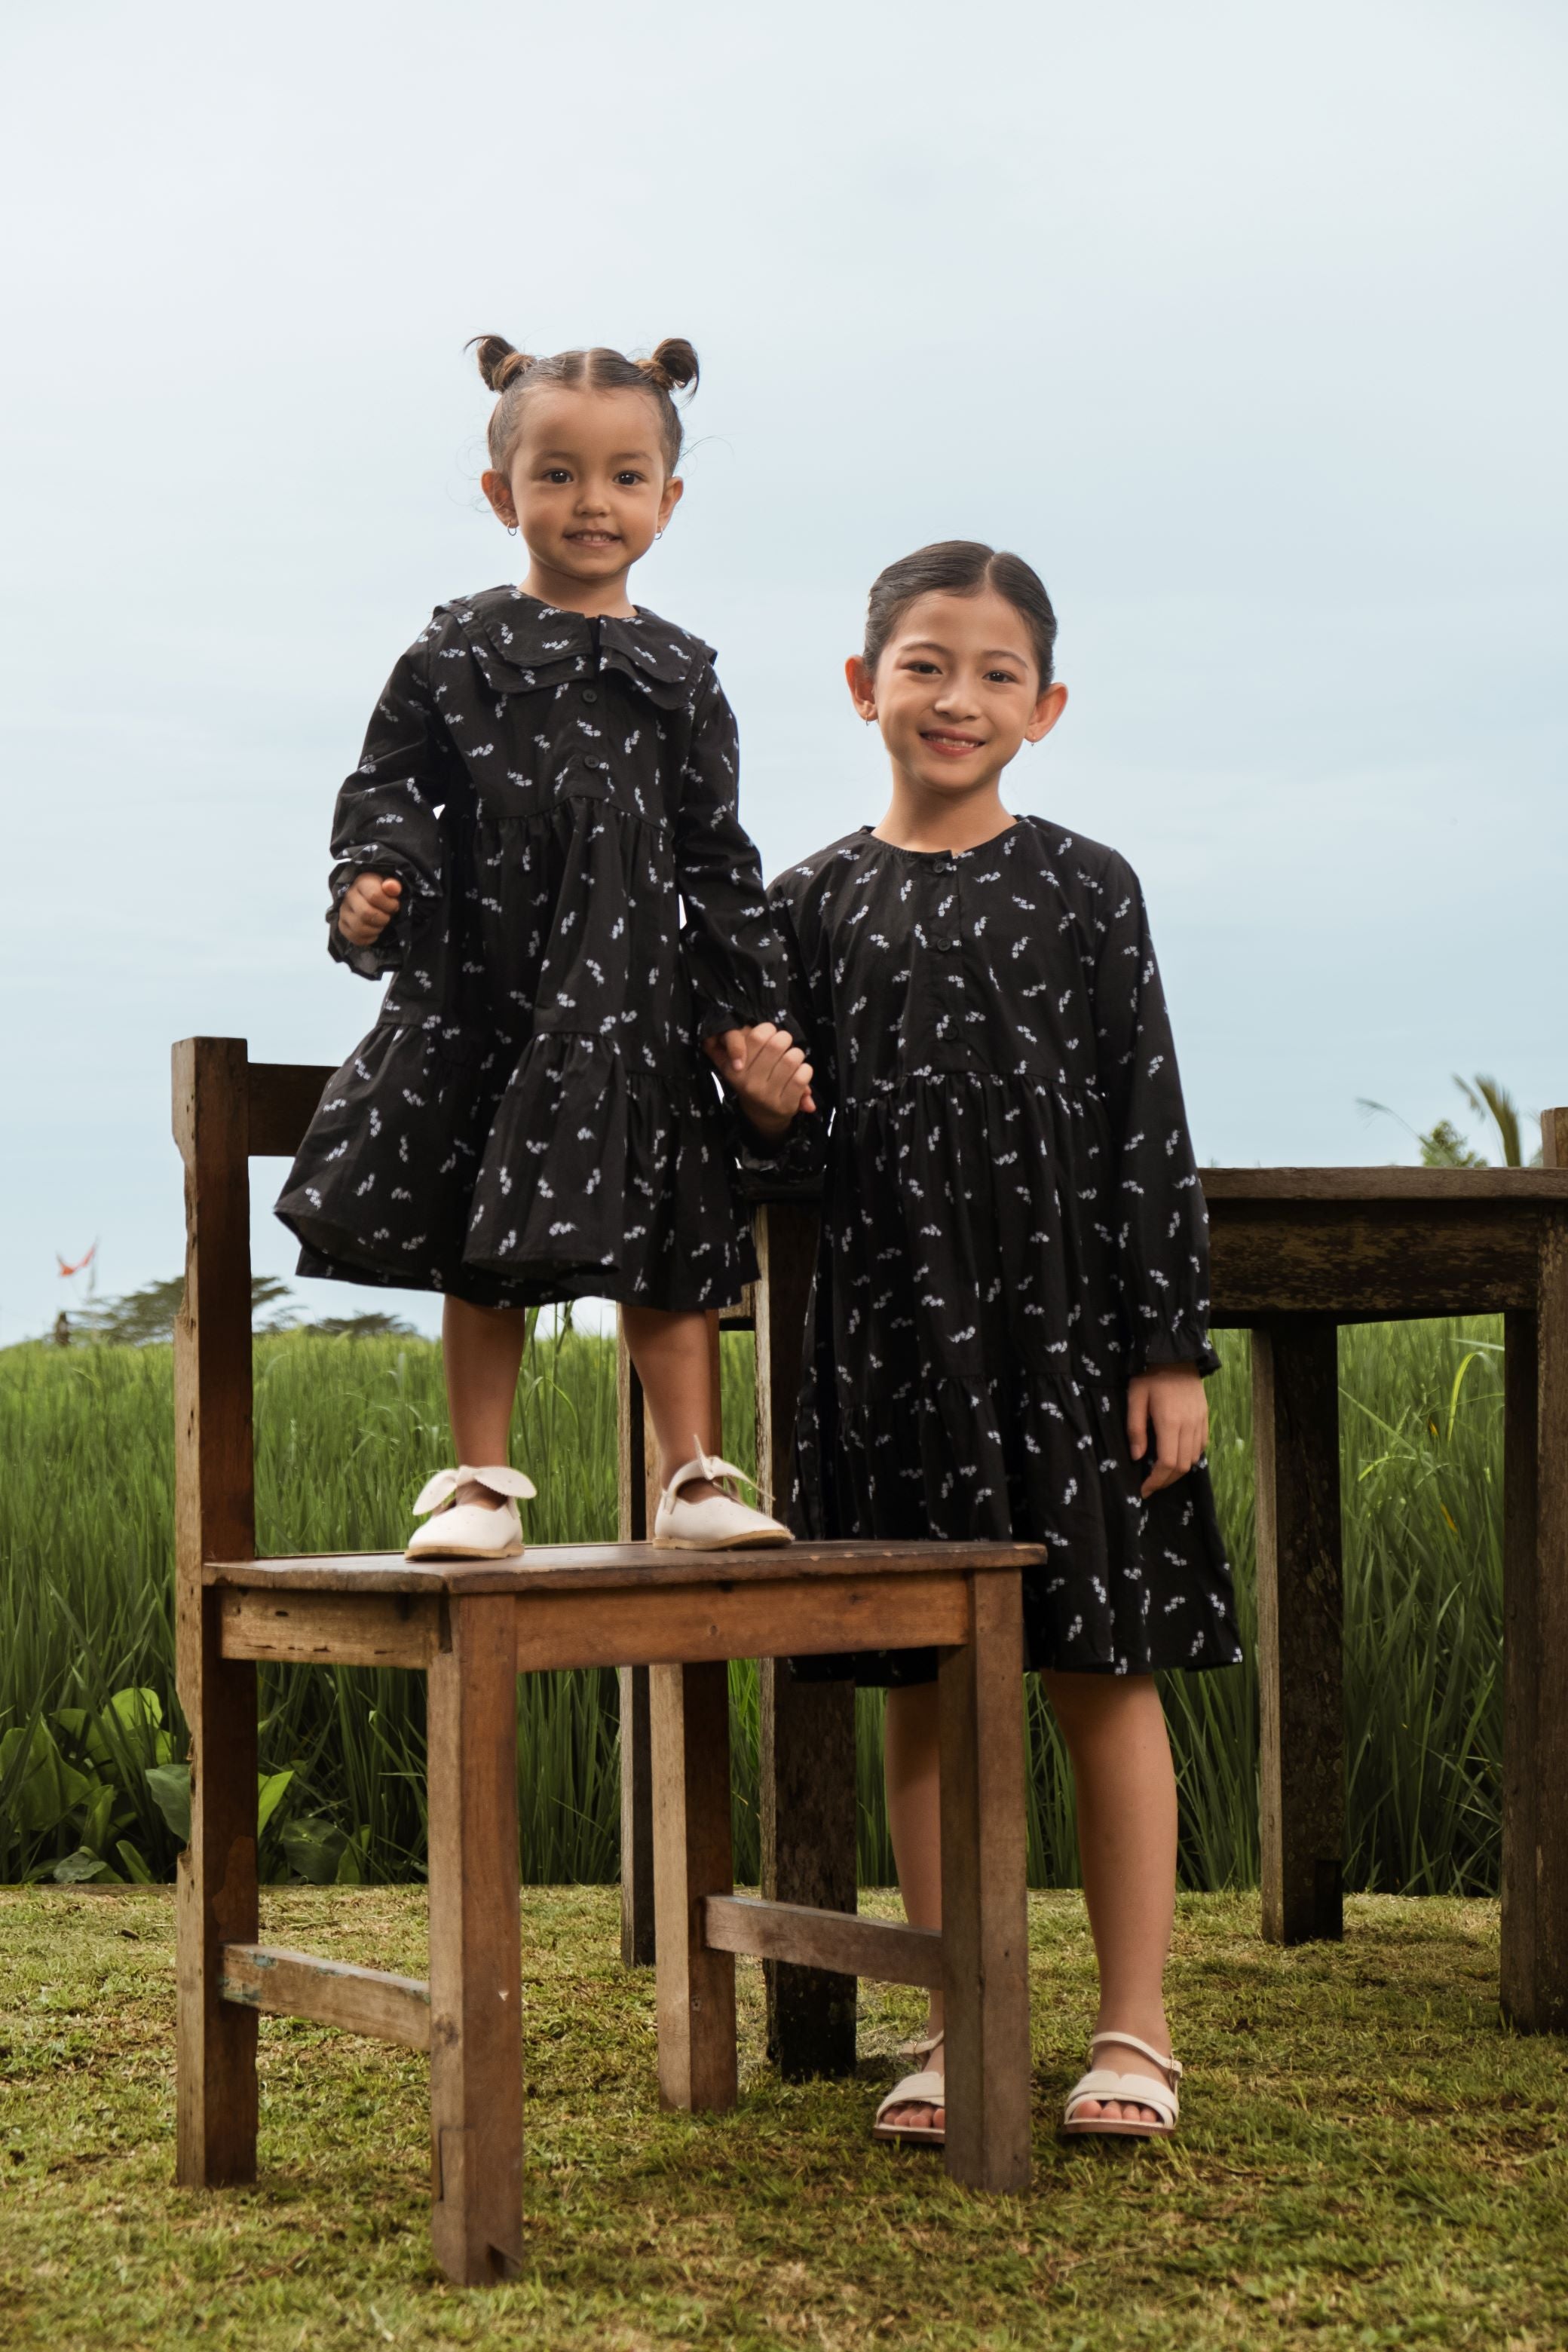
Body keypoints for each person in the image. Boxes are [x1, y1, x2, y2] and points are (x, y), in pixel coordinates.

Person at [733, 541, 1240, 2143]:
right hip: (884, 1346)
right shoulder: (804, 903)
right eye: (924, 664)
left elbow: (1145, 1124)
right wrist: (758, 1110)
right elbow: (791, 1164)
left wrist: (1169, 1349)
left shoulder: (1089, 887)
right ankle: (958, 2020)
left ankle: (1133, 2032)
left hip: (1071, 1340)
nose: (955, 697)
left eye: (994, 672)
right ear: (859, 683)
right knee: (926, 1688)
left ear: (1046, 705)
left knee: (1103, 1667)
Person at [276, 337, 811, 1560]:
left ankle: (691, 1480)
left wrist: (742, 1006)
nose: (591, 502)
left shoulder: (684, 677)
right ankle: (476, 1483)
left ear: (667, 503)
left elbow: (716, 851)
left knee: (669, 1244)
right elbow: (389, 790)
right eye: (558, 474)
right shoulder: (453, 653)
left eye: (625, 477)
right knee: (488, 1247)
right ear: (499, 492)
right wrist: (378, 884)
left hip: (638, 1004)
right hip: (490, 990)